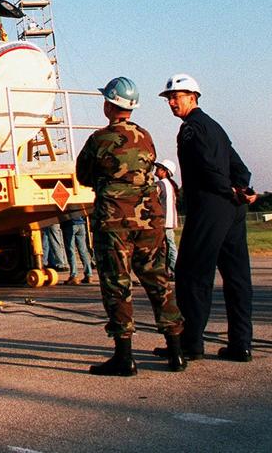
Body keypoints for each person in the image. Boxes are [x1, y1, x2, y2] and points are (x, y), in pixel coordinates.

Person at [76, 76, 185, 375]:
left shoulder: (100, 139)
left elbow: (83, 175)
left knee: (117, 285)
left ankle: (124, 358)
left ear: (109, 104)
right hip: (150, 220)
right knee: (158, 281)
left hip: (114, 221)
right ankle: (176, 352)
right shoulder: (146, 136)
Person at [159, 74, 256, 363]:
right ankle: (241, 344)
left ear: (193, 97)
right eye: (169, 98)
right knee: (237, 277)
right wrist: (243, 190)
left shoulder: (191, 128)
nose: (172, 102)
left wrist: (227, 189)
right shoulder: (215, 127)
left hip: (211, 206)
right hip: (233, 209)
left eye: (177, 97)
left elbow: (208, 167)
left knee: (192, 276)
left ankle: (191, 343)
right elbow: (238, 165)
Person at [155, 159, 181, 272]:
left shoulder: (160, 184)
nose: (156, 170)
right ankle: (170, 269)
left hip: (163, 220)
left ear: (165, 171)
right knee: (169, 245)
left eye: (159, 168)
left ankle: (174, 269)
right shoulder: (171, 184)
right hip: (170, 220)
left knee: (167, 246)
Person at [60, 206, 94, 285]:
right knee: (83, 251)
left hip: (68, 224)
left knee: (70, 251)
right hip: (81, 223)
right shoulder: (76, 197)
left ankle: (74, 275)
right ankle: (89, 275)